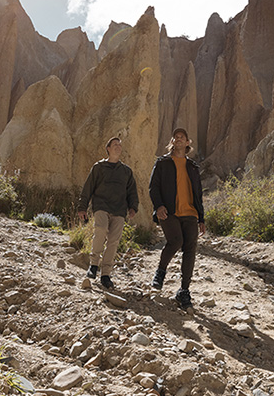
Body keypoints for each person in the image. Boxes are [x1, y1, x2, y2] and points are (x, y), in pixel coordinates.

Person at [148, 127, 206, 309]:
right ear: (172, 142)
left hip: (190, 213)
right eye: (176, 137)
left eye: (182, 137)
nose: (179, 139)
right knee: (175, 241)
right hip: (169, 211)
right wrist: (158, 206)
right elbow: (153, 186)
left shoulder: (193, 167)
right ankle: (161, 271)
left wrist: (202, 218)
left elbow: (198, 194)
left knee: (190, 248)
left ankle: (184, 291)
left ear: (188, 143)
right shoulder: (163, 163)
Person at [77, 136, 138, 289]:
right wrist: (82, 207)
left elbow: (132, 192)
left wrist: (133, 207)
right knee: (101, 229)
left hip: (119, 210)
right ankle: (94, 265)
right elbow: (88, 187)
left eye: (119, 145)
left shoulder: (126, 171)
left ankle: (106, 274)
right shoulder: (99, 167)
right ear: (108, 149)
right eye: (114, 144)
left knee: (113, 241)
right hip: (101, 206)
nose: (118, 147)